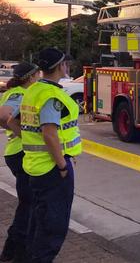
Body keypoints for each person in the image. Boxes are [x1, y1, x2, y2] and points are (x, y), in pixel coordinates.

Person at [20, 48, 83, 263]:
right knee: (53, 226)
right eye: (66, 63)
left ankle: (30, 257)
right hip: (52, 169)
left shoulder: (33, 90)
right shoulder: (51, 96)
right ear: (59, 66)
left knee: (38, 220)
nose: (67, 67)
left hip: (35, 165)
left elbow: (17, 122)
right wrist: (62, 166)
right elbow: (49, 133)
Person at [0, 62, 40, 262]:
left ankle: (13, 250)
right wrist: (26, 136)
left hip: (17, 154)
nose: (39, 77)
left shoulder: (18, 92)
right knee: (28, 205)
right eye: (37, 74)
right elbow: (4, 116)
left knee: (28, 203)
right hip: (20, 154)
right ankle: (15, 251)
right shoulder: (19, 94)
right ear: (31, 77)